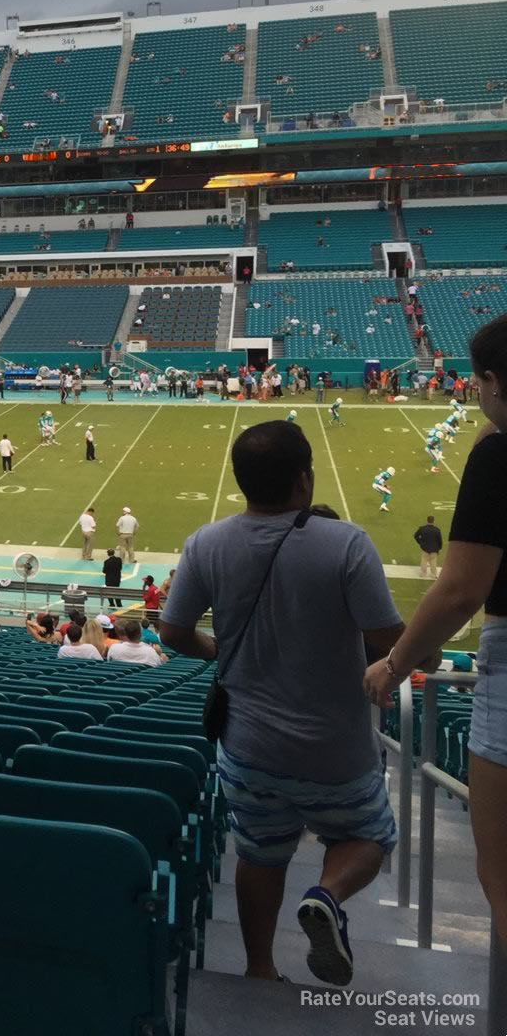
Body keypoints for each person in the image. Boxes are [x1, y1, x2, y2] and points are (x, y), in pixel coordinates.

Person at [159, 419, 404, 987]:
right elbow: (391, 638)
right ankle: (327, 894)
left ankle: (260, 969)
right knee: (369, 836)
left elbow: (171, 633)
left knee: (259, 853)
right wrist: (417, 655)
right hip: (334, 749)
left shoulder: (205, 542)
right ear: (304, 478)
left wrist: (218, 650)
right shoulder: (345, 543)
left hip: (246, 746)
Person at [364, 314, 507, 940]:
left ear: (494, 383)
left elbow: (459, 593)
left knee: (502, 877)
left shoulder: (499, 454)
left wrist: (394, 664)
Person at [414, 514, 443, 579]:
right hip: (434, 549)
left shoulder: (422, 529)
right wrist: (439, 548)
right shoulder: (437, 530)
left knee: (424, 560)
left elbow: (416, 536)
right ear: (433, 521)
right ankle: (433, 574)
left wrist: (420, 542)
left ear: (427, 520)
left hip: (425, 547)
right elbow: (440, 540)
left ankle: (423, 573)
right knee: (433, 561)